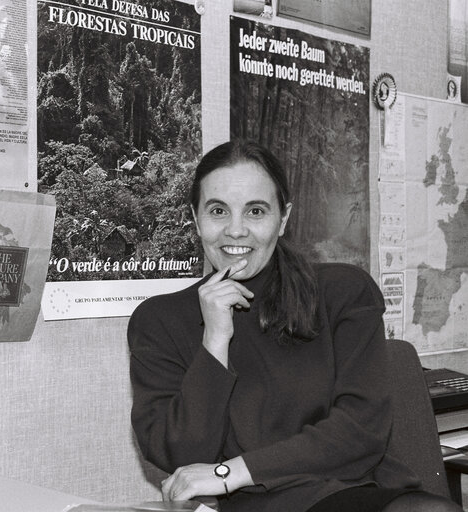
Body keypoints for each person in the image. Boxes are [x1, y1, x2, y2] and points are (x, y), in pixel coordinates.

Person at [127, 140, 460, 512]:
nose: (235, 231)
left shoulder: (343, 293)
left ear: (282, 219)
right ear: (195, 218)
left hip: (352, 493)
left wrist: (231, 472)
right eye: (218, 210)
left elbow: (361, 431)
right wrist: (215, 340)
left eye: (255, 211)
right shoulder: (159, 320)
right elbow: (181, 456)